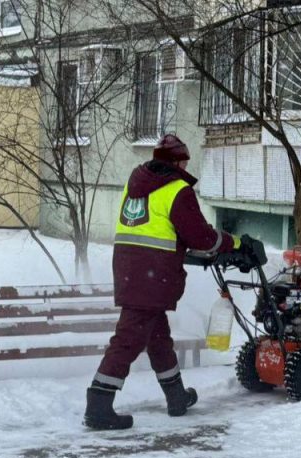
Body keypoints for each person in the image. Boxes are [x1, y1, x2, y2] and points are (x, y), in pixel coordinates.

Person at [84, 134, 259, 430]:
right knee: (127, 340)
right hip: (152, 277)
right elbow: (201, 236)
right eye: (185, 161)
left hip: (130, 270)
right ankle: (98, 404)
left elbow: (154, 228)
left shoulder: (136, 184)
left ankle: (176, 396)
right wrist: (233, 242)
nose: (187, 165)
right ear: (177, 162)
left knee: (158, 338)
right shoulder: (177, 190)